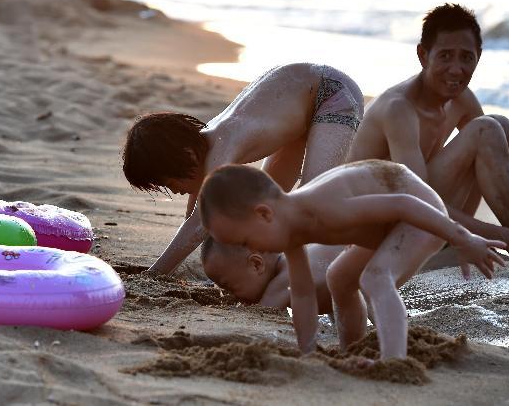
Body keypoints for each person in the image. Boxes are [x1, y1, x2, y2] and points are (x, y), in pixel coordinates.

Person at [347, 3, 509, 264]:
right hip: (377, 233)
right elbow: (415, 201)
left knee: (502, 127)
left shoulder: (460, 98)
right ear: (423, 55)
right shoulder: (399, 108)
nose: (456, 69)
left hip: (428, 219)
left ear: (479, 56)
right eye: (445, 56)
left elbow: (506, 154)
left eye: (466, 57)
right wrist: (504, 236)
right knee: (486, 129)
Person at [199, 160, 506, 359]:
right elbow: (303, 294)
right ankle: (353, 350)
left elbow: (403, 203)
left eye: (245, 240)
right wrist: (307, 351)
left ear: (264, 214)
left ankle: (393, 362)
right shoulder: (290, 233)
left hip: (419, 214)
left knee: (374, 277)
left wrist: (463, 238)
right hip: (384, 228)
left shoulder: (323, 206)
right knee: (339, 278)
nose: (251, 249)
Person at [123, 63, 364, 276]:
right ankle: (268, 271)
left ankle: (346, 264)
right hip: (299, 100)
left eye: (170, 183)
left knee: (312, 198)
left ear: (186, 157)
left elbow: (199, 223)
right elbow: (196, 215)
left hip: (332, 95)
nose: (175, 192)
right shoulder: (204, 148)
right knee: (270, 205)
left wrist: (155, 273)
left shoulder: (224, 142)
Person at [201, 238, 342, 313]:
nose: (232, 296)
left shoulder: (286, 279)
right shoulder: (291, 260)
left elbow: (263, 313)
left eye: (231, 287)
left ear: (256, 265)